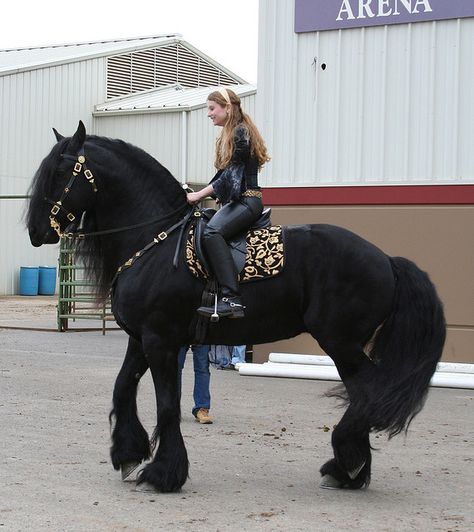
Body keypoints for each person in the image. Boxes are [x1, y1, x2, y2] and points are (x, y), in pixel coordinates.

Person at [186, 88, 270, 319]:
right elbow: (222, 176)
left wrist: (198, 196)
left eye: (212, 109)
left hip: (248, 201)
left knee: (212, 233)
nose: (209, 114)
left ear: (227, 107)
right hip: (237, 202)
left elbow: (230, 177)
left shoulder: (240, 134)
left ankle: (231, 299)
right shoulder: (231, 133)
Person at [178, 345, 213, 424]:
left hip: (202, 334)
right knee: (175, 367)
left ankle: (202, 408)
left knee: (202, 367)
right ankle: (173, 407)